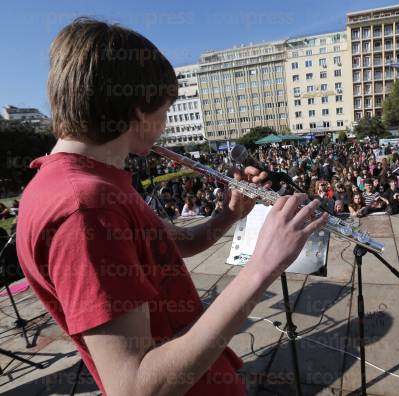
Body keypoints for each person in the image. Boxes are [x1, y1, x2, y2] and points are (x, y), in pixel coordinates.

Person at [15, 18, 328, 396]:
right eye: (165, 108)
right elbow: (133, 387)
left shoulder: (94, 184)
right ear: (138, 111)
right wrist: (263, 265)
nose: (164, 122)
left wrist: (228, 214)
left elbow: (175, 245)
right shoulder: (86, 208)